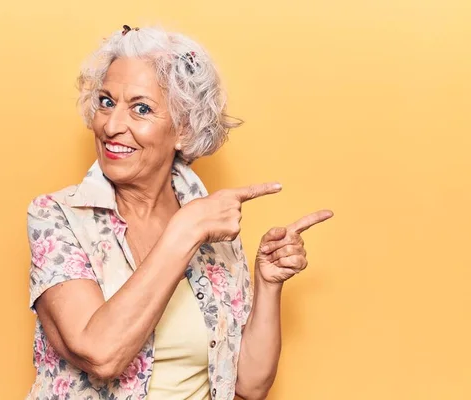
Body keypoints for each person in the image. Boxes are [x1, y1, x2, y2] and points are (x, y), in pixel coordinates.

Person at [25, 25, 333, 400]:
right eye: (106, 102)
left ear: (184, 130)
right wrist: (186, 229)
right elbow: (100, 354)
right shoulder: (57, 216)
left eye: (141, 108)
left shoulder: (212, 225)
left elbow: (249, 386)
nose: (112, 125)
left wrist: (268, 282)